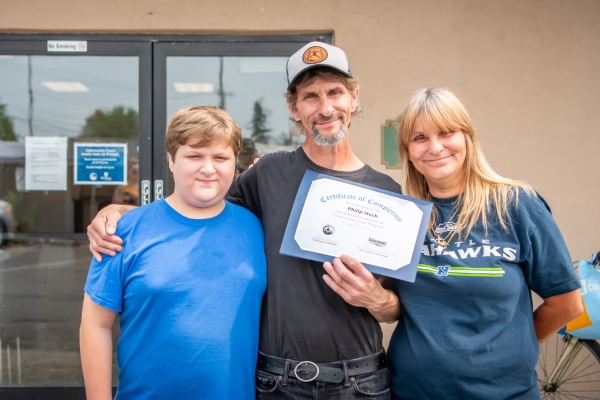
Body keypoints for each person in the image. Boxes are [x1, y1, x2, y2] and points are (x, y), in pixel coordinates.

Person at [87, 42, 400, 399]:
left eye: (335, 92)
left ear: (354, 97)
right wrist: (120, 215)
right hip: (277, 382)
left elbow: (400, 306)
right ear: (293, 107)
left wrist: (377, 299)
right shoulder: (267, 175)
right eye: (310, 96)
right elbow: (198, 203)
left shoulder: (388, 192)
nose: (325, 107)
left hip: (360, 381)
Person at [330, 88, 583, 399]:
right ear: (407, 151)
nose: (435, 147)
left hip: (505, 393)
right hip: (411, 391)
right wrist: (374, 297)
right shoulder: (402, 216)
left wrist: (509, 350)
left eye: (446, 132)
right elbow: (393, 310)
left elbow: (567, 304)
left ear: (468, 138)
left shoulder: (516, 205)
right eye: (420, 138)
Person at [80, 106, 267, 400]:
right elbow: (96, 324)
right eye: (194, 156)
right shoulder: (122, 231)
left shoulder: (257, 228)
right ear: (171, 160)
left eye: (220, 157)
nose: (208, 168)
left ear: (235, 164)